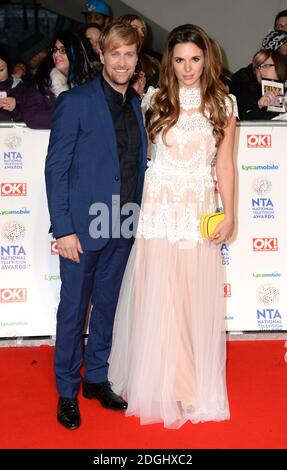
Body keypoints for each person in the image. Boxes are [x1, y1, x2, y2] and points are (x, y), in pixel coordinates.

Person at [108, 24, 237, 429]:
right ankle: (154, 380)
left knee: (188, 299)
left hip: (196, 210)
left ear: (207, 59)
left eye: (195, 59)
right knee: (157, 295)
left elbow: (225, 165)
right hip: (157, 210)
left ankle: (186, 382)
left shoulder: (224, 103)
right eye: (179, 60)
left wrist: (230, 213)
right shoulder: (153, 99)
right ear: (170, 61)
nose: (187, 68)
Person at [45, 21, 147, 430]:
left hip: (123, 223)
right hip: (82, 229)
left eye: (130, 54)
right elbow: (56, 169)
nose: (122, 62)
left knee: (106, 307)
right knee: (73, 311)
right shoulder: (76, 102)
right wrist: (63, 229)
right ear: (102, 56)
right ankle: (67, 391)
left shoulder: (138, 106)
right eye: (115, 54)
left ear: (137, 59)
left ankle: (96, 378)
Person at [24, 30, 97, 129]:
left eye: (63, 50)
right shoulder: (43, 81)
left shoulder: (94, 82)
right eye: (55, 50)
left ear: (76, 52)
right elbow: (32, 117)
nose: (56, 55)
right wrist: (72, 116)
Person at [232, 49, 287, 120]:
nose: (260, 70)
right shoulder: (247, 92)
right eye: (258, 67)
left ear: (278, 66)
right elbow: (240, 122)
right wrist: (258, 106)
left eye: (266, 66)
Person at [118, 14, 161, 98]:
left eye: (143, 31)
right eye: (135, 28)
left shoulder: (152, 64)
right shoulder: (109, 59)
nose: (142, 34)